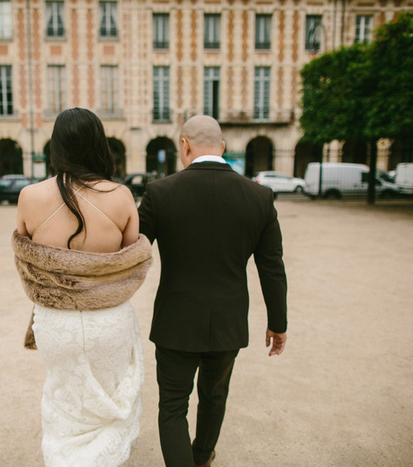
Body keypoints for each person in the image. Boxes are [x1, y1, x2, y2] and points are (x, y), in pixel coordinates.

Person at [138, 115, 288, 467]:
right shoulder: (260, 196)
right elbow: (272, 267)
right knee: (214, 396)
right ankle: (203, 457)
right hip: (228, 321)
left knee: (173, 406)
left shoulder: (160, 193)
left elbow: (131, 253)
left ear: (184, 146)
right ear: (223, 147)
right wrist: (277, 323)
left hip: (175, 321)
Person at [13, 108, 153, 466]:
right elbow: (132, 259)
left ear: (55, 147)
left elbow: (27, 257)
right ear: (99, 144)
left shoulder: (30, 195)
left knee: (64, 402)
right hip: (109, 321)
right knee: (108, 402)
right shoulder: (121, 195)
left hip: (55, 323)